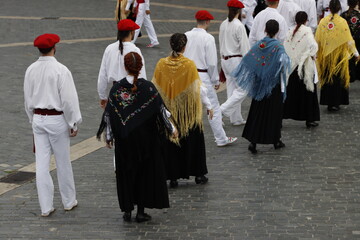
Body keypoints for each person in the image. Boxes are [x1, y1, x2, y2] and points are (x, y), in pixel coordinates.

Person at [97, 52, 175, 223]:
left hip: (125, 141)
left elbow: (110, 115)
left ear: (125, 67)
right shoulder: (148, 87)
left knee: (126, 172)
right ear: (140, 67)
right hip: (146, 140)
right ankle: (140, 211)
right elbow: (161, 110)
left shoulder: (117, 89)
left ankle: (127, 210)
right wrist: (171, 129)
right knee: (144, 174)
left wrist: (109, 136)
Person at [24, 34, 82, 216]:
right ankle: (68, 200)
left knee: (41, 164)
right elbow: (69, 100)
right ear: (54, 47)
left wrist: (31, 118)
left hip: (38, 118)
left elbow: (27, 99)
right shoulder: (61, 70)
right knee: (62, 161)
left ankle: (45, 206)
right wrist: (73, 122)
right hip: (56, 119)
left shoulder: (30, 69)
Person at [152, 33, 213, 188]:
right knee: (192, 140)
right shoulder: (189, 65)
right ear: (185, 47)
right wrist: (209, 105)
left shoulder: (161, 64)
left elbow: (156, 88)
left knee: (171, 142)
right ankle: (198, 174)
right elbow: (197, 88)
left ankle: (172, 176)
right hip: (187, 112)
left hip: (168, 111)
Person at [233, 20, 291, 154]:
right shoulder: (278, 47)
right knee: (274, 113)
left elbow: (249, 58)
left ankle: (253, 141)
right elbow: (284, 62)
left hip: (259, 85)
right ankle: (276, 140)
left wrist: (258, 72)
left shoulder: (260, 44)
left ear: (265, 30)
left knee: (257, 111)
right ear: (277, 31)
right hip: (273, 85)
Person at [184, 10, 237, 147]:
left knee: (188, 107)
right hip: (202, 76)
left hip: (187, 75)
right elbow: (212, 63)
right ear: (207, 22)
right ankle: (221, 138)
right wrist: (215, 80)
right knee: (213, 107)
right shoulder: (208, 38)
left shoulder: (186, 35)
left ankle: (183, 136)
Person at [316, 0, 359, 112]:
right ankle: (337, 102)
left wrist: (315, 53)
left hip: (327, 55)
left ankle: (329, 102)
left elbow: (318, 39)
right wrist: (355, 53)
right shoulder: (342, 22)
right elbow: (349, 40)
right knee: (338, 79)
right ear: (340, 8)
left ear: (329, 8)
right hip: (339, 56)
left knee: (328, 78)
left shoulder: (323, 22)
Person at [98, 19, 146, 109]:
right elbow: (141, 75)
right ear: (131, 32)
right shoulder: (135, 50)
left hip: (115, 92)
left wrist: (102, 96)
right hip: (132, 91)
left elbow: (102, 75)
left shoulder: (109, 48)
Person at [283, 11, 320, 127]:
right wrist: (311, 55)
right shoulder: (307, 31)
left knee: (289, 94)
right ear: (306, 20)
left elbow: (286, 47)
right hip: (304, 69)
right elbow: (313, 46)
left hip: (291, 67)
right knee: (308, 94)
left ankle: (281, 118)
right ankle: (309, 119)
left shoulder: (289, 32)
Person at [219, 0, 250, 126]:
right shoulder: (239, 25)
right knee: (243, 89)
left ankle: (236, 118)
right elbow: (245, 47)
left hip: (225, 60)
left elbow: (221, 42)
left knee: (232, 89)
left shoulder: (223, 24)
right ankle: (221, 110)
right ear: (239, 11)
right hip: (236, 60)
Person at [341, 0, 360, 82]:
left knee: (349, 57)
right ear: (357, 3)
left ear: (348, 3)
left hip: (347, 40)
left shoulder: (343, 15)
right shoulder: (359, 15)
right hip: (358, 39)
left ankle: (350, 74)